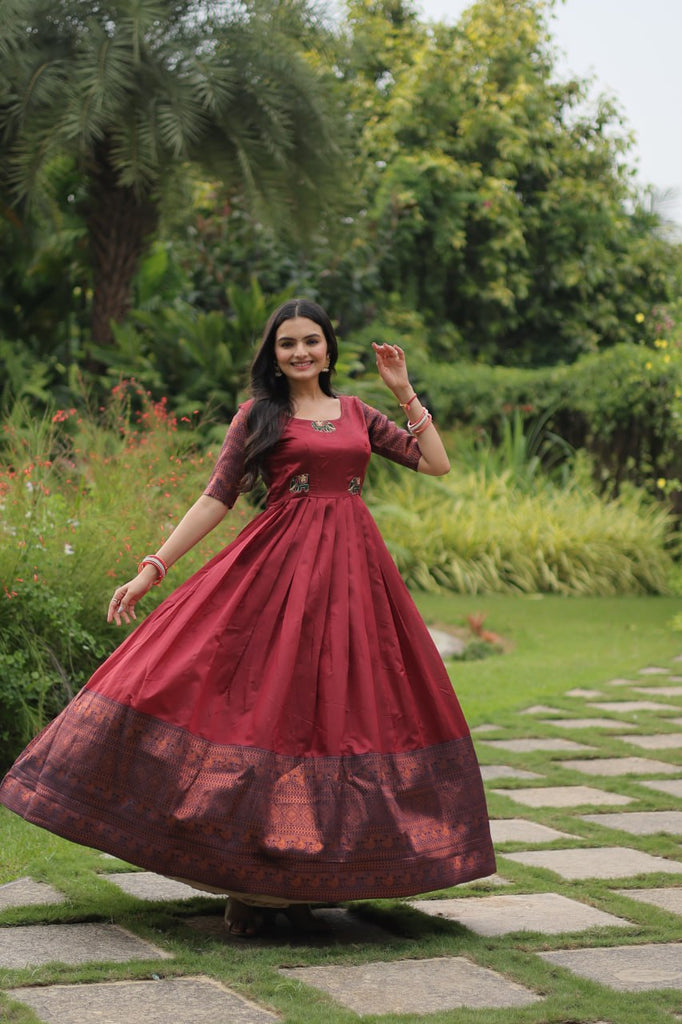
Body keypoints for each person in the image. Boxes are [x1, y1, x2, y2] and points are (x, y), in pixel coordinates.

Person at [0, 299, 495, 938]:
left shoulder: (356, 413)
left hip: (354, 581)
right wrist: (154, 566)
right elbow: (217, 496)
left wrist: (405, 393)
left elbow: (435, 461)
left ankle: (317, 870)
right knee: (266, 711)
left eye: (311, 342)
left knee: (342, 714)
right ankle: (250, 881)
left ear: (328, 348)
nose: (300, 353)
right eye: (288, 344)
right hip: (276, 577)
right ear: (274, 353)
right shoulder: (258, 416)